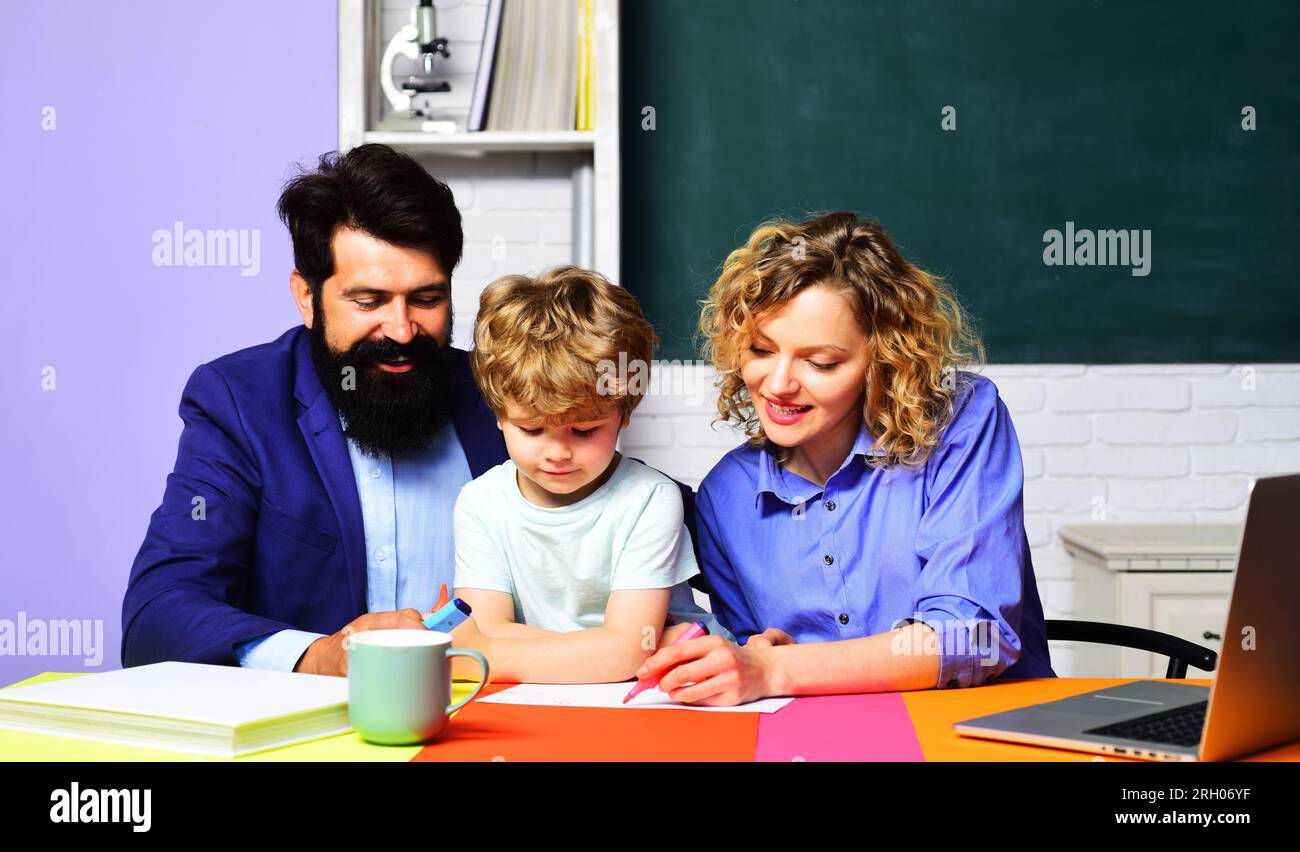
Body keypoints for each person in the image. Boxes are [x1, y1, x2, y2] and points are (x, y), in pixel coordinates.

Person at [638, 212, 1055, 706]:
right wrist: (749, 658)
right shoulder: (725, 496)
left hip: (977, 733)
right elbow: (757, 657)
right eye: (760, 349)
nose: (778, 384)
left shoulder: (961, 424)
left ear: (884, 359)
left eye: (821, 362)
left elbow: (974, 638)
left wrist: (777, 669)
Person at [121, 144, 506, 675]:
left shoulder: (500, 390)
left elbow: (628, 501)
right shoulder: (238, 404)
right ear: (306, 296)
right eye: (368, 301)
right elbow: (157, 618)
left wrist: (666, 627)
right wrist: (321, 657)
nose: (400, 330)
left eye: (426, 299)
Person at [447, 267, 728, 683]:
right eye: (532, 429)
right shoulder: (479, 502)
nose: (558, 452)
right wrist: (613, 649)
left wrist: (491, 653)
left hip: (662, 696)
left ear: (625, 413)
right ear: (499, 413)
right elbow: (485, 631)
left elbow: (480, 649)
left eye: (584, 430)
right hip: (548, 701)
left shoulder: (650, 498)